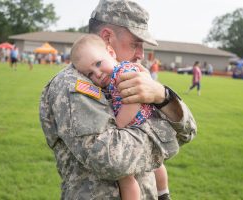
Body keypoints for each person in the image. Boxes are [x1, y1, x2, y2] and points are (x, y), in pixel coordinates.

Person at [39, 0, 197, 199]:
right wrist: (167, 135)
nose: (141, 53)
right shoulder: (72, 84)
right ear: (107, 38)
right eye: (135, 44)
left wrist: (161, 95)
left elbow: (188, 131)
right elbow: (111, 159)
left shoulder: (128, 76)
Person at [71, 34, 171, 200]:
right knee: (155, 164)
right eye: (90, 74)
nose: (97, 74)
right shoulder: (116, 75)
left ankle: (162, 192)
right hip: (141, 123)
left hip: (135, 122)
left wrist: (118, 125)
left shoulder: (122, 73)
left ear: (111, 52)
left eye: (98, 63)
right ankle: (163, 193)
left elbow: (133, 101)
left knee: (127, 178)